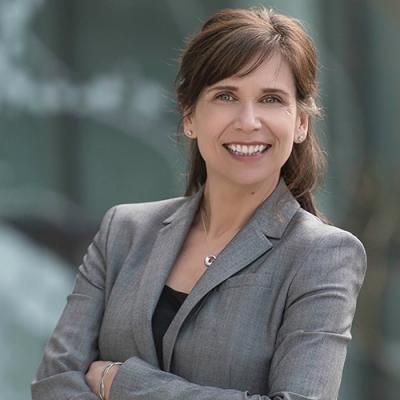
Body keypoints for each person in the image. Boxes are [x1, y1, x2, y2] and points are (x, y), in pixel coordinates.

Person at [31, 7, 367, 400]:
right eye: (225, 95)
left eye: (271, 99)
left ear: (300, 124)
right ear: (189, 115)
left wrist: (123, 383)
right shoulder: (123, 230)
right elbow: (54, 382)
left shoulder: (323, 256)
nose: (248, 120)